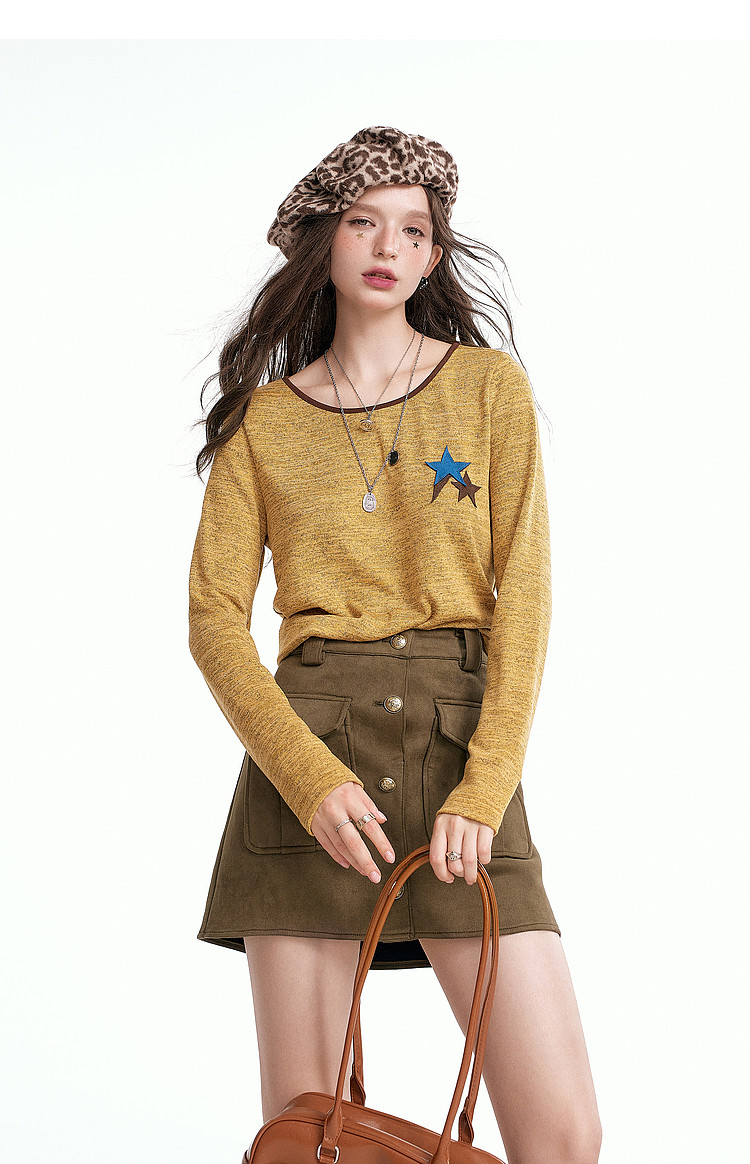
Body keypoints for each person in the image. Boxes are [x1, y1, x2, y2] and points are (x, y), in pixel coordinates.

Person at [188, 125, 602, 1164]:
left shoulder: (489, 389)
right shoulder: (262, 423)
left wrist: (485, 788)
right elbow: (213, 620)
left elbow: (526, 598)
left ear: (432, 254)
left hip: (461, 746)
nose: (387, 247)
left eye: (413, 230)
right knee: (310, 1136)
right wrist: (307, 778)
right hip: (311, 759)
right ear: (324, 240)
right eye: (364, 223)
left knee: (563, 1137)